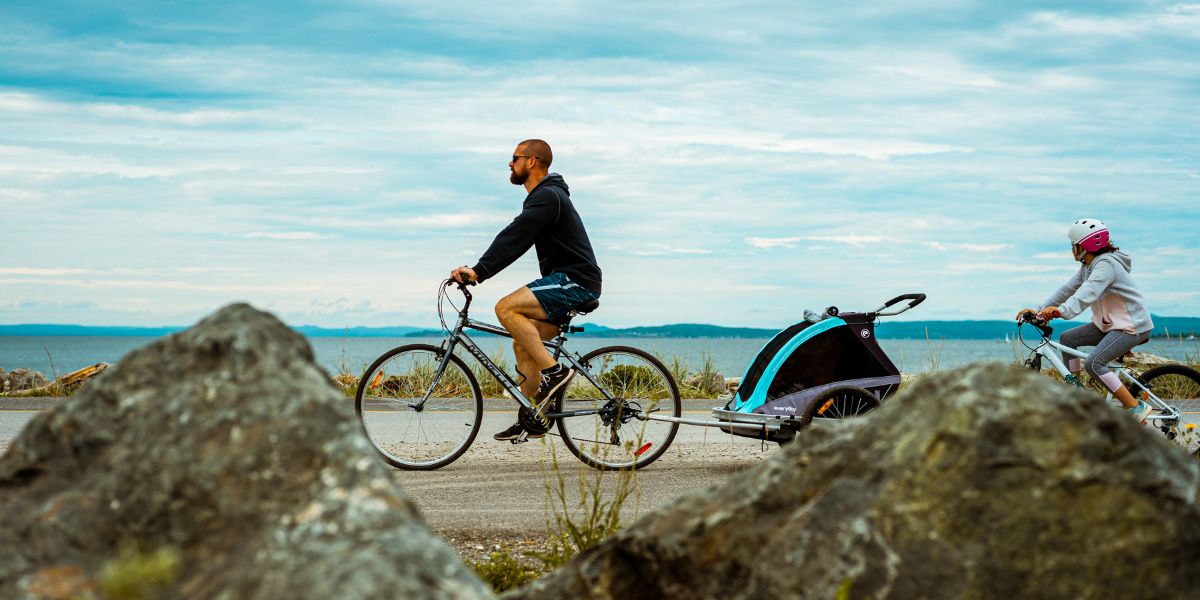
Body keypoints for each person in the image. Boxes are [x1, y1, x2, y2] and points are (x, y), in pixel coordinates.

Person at [450, 139, 603, 441]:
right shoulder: (546, 197)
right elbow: (518, 240)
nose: (510, 163)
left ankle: (555, 373)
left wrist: (479, 271)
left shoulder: (547, 196)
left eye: (514, 158)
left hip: (575, 281)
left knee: (505, 308)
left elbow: (515, 236)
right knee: (522, 343)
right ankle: (533, 414)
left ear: (531, 161)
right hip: (567, 280)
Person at [1017, 218, 1155, 422]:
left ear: (1085, 246)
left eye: (1074, 244)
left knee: (1094, 363)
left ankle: (1135, 406)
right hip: (1110, 325)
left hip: (1131, 327)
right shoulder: (1088, 267)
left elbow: (1086, 294)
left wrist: (1061, 311)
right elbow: (1067, 289)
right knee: (1068, 339)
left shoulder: (1106, 265)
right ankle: (1078, 393)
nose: (1072, 249)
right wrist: (1038, 310)